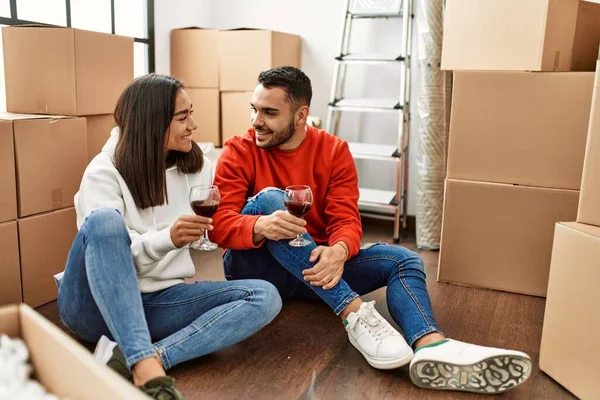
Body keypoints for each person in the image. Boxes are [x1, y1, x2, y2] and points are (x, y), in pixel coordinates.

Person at [211, 66, 533, 395]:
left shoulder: (333, 151)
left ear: (300, 115)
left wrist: (338, 251)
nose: (256, 121)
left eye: (269, 112)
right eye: (254, 109)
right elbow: (218, 227)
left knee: (404, 260)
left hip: (316, 270)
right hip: (256, 268)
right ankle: (354, 315)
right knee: (272, 200)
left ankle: (431, 345)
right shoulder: (238, 150)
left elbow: (347, 220)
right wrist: (261, 225)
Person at [56, 74, 282, 400]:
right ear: (152, 123)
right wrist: (169, 239)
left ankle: (147, 358)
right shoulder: (103, 172)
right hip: (93, 307)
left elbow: (230, 204)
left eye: (191, 112)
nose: (193, 124)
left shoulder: (196, 166)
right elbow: (111, 260)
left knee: (264, 296)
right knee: (105, 222)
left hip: (159, 302)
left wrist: (260, 222)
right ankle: (145, 366)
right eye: (183, 117)